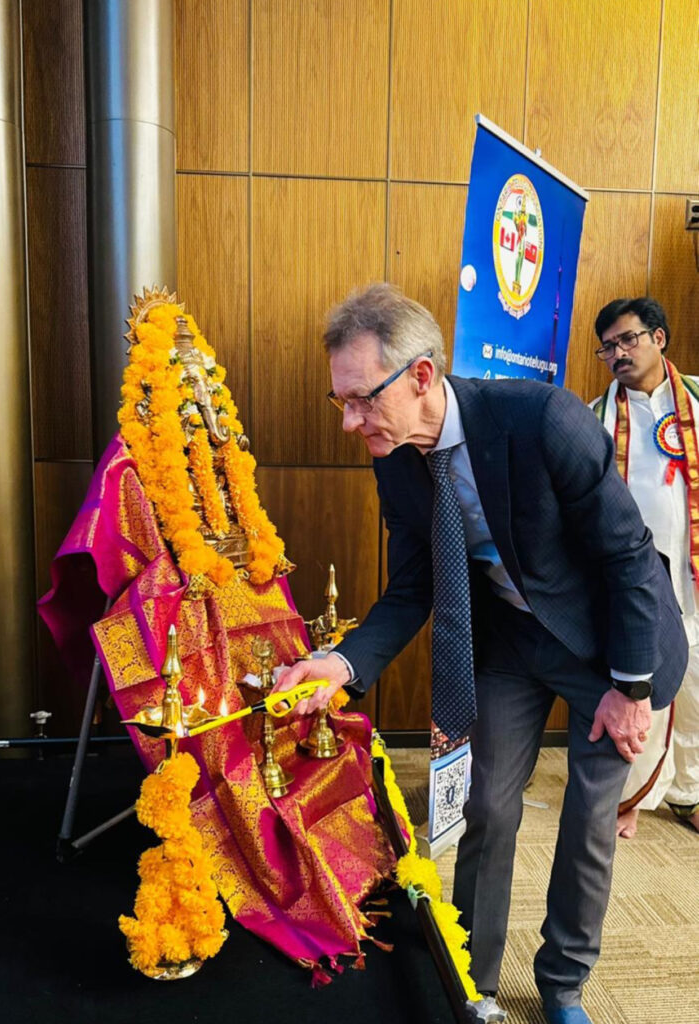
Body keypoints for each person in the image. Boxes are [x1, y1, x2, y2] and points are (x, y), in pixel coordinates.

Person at [274, 283, 688, 1024]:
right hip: (512, 640)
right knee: (486, 806)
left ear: (423, 376)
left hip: (611, 646)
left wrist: (632, 686)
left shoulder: (540, 418)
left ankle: (562, 986)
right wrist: (341, 663)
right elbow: (411, 588)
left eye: (361, 399)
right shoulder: (396, 453)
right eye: (339, 401)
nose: (348, 421)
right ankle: (471, 981)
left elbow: (627, 555)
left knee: (589, 818)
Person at [591, 296, 699, 839]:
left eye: (627, 339)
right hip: (634, 579)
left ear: (659, 337)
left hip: (693, 567)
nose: (617, 353)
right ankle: (631, 795)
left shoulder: (698, 403)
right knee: (642, 683)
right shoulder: (595, 417)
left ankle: (689, 792)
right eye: (608, 346)